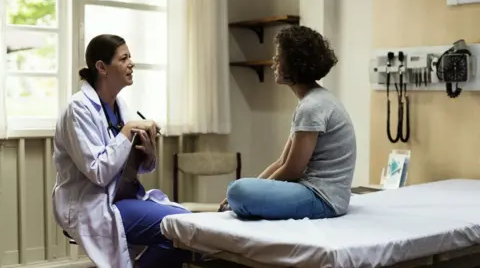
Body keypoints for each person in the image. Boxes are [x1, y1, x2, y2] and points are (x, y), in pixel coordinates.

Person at [52, 34, 192, 268]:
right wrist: (126, 132)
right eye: (124, 58)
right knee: (183, 228)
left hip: (120, 197)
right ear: (101, 67)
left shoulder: (121, 106)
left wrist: (147, 152)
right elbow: (98, 172)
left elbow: (137, 166)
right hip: (90, 204)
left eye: (130, 57)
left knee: (186, 229)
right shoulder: (78, 108)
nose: (131, 63)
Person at [219, 25, 357, 220]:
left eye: (278, 58)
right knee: (239, 189)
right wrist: (257, 185)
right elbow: (282, 162)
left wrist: (253, 190)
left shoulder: (312, 106)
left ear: (294, 64)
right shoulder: (312, 102)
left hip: (323, 198)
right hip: (317, 193)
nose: (273, 64)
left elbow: (293, 169)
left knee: (238, 191)